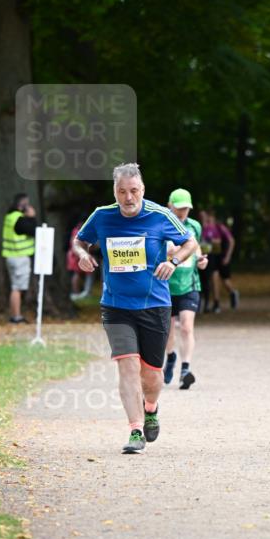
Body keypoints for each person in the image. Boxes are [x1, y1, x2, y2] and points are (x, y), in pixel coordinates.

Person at [73, 164, 198, 454]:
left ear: (142, 190)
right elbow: (80, 241)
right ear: (114, 191)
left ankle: (151, 408)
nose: (128, 198)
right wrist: (82, 255)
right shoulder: (102, 216)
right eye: (121, 192)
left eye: (134, 191)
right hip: (116, 305)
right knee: (127, 365)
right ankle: (135, 430)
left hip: (154, 304)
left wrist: (174, 261)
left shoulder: (160, 216)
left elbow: (189, 242)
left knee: (152, 375)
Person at [163, 189, 208, 390]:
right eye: (179, 208)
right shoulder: (161, 224)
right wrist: (169, 252)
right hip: (165, 285)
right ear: (169, 206)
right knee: (167, 331)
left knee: (187, 327)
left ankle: (185, 370)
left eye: (186, 209)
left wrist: (201, 261)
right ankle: (170, 357)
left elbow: (196, 248)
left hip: (189, 284)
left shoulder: (194, 226)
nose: (183, 213)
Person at [2, 193, 38, 323]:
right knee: (17, 288)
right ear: (21, 205)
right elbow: (34, 230)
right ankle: (16, 317)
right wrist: (32, 217)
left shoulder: (10, 216)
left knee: (15, 286)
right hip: (19, 258)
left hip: (11, 257)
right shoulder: (20, 219)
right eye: (27, 204)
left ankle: (15, 314)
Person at [201, 208, 239, 313]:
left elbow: (231, 241)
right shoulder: (203, 228)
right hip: (211, 257)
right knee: (214, 278)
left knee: (225, 280)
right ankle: (216, 303)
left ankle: (232, 292)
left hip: (221, 256)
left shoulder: (219, 227)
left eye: (207, 216)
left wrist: (228, 256)